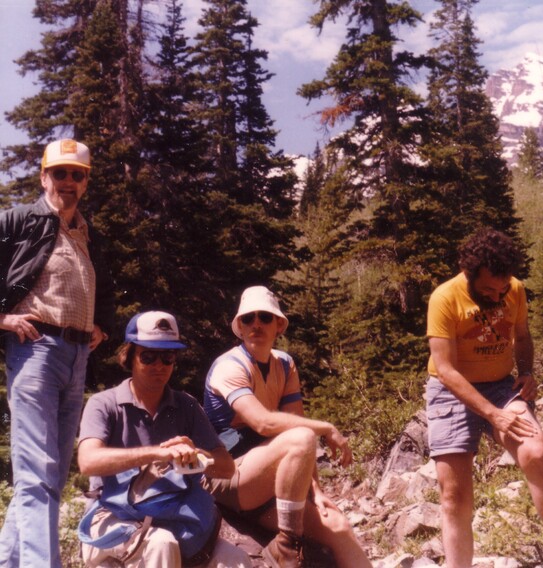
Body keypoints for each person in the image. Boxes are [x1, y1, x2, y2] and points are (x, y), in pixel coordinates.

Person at [425, 228, 543, 568]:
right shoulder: (444, 297)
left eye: (502, 289)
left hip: (500, 384)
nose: (498, 297)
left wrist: (525, 371)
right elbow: (446, 370)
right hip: (451, 390)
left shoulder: (516, 290)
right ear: (469, 275)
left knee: (535, 450)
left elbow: (522, 336)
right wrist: (493, 416)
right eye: (488, 290)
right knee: (455, 495)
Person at [0, 139, 114, 567]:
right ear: (43, 176)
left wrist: (97, 324)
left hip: (76, 356)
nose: (68, 181)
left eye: (77, 174)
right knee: (37, 474)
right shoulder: (18, 221)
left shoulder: (86, 232)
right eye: (60, 173)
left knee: (48, 474)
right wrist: (3, 318)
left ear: (85, 183)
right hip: (34, 352)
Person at [203, 285, 371, 568]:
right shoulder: (229, 366)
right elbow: (263, 422)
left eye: (265, 317)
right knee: (302, 437)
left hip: (266, 480)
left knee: (339, 526)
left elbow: (296, 428)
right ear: (240, 327)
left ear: (279, 325)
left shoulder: (284, 364)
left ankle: (290, 537)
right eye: (248, 318)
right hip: (226, 476)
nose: (256, 324)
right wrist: (325, 427)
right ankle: (287, 545)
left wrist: (315, 491)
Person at [77, 310, 251, 567]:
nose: (159, 365)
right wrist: (157, 453)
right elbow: (88, 461)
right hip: (111, 518)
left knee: (237, 560)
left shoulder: (187, 406)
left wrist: (198, 455)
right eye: (148, 356)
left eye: (168, 357)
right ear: (130, 356)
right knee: (162, 544)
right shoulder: (104, 404)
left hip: (174, 518)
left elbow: (226, 468)